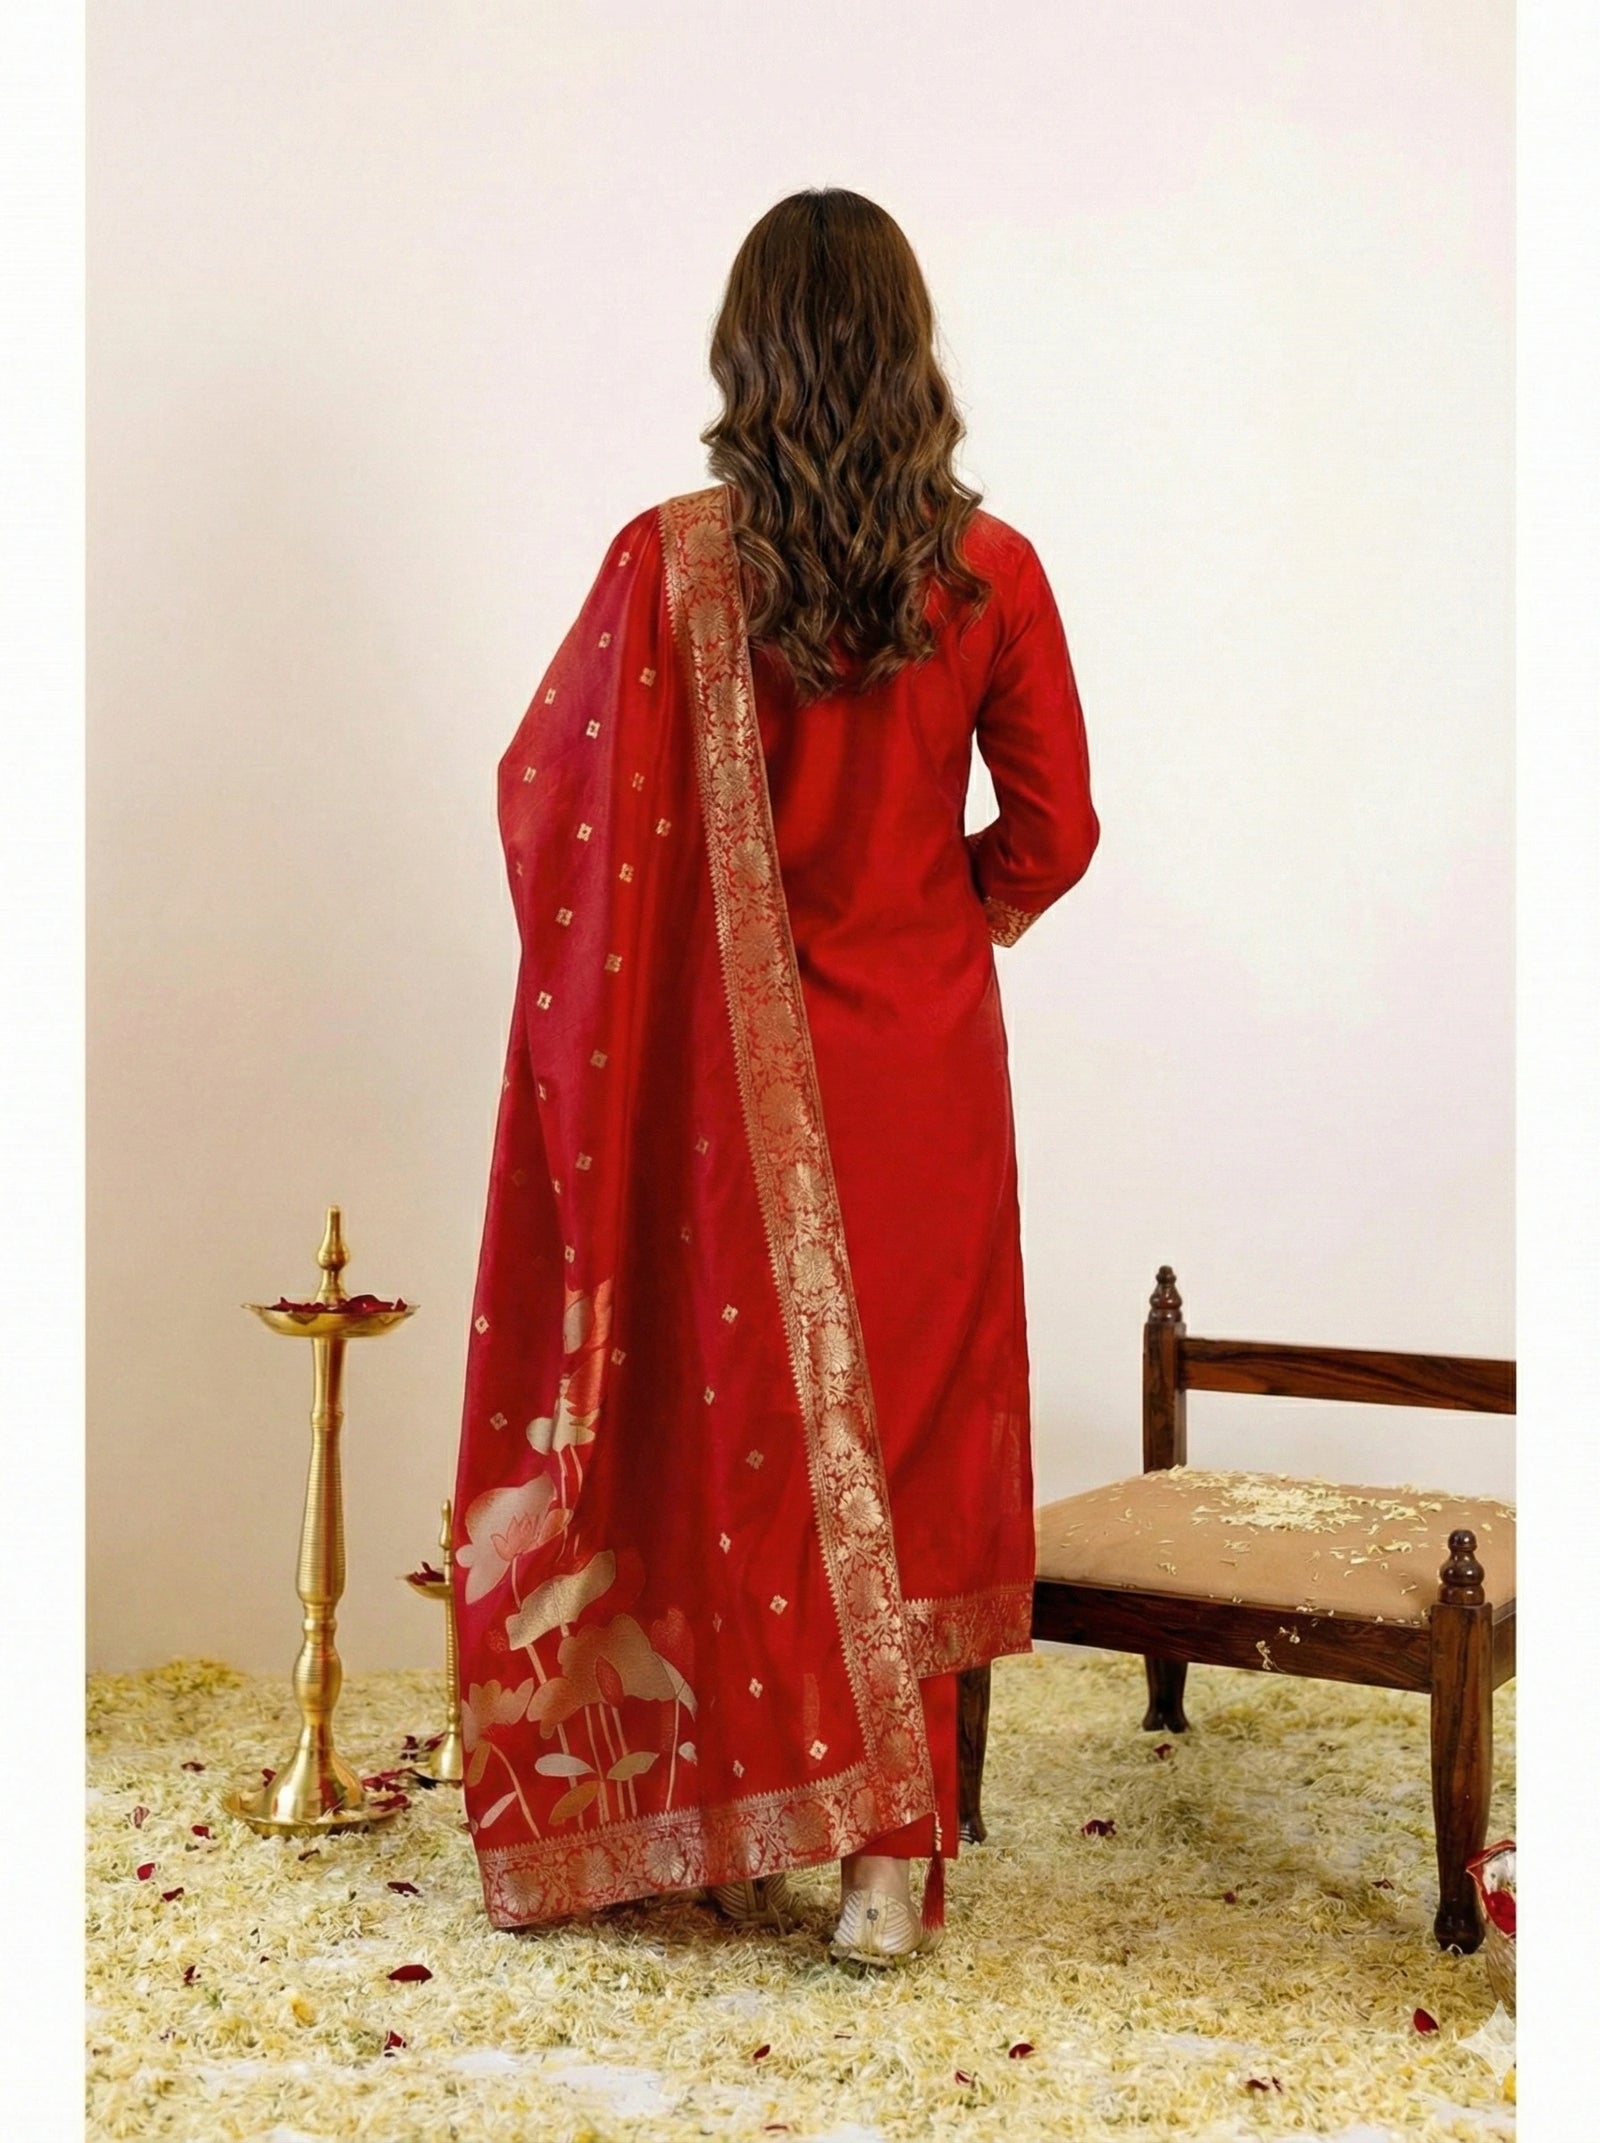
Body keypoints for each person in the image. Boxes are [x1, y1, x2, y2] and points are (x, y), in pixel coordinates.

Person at [452, 187, 1098, 1966]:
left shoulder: (669, 564)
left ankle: (731, 1830)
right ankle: (896, 1862)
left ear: (747, 354)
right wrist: (934, 925)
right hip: (922, 1079)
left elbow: (545, 799)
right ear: (913, 350)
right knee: (904, 1448)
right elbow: (1056, 834)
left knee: (741, 1445)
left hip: (725, 1095)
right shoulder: (993, 573)